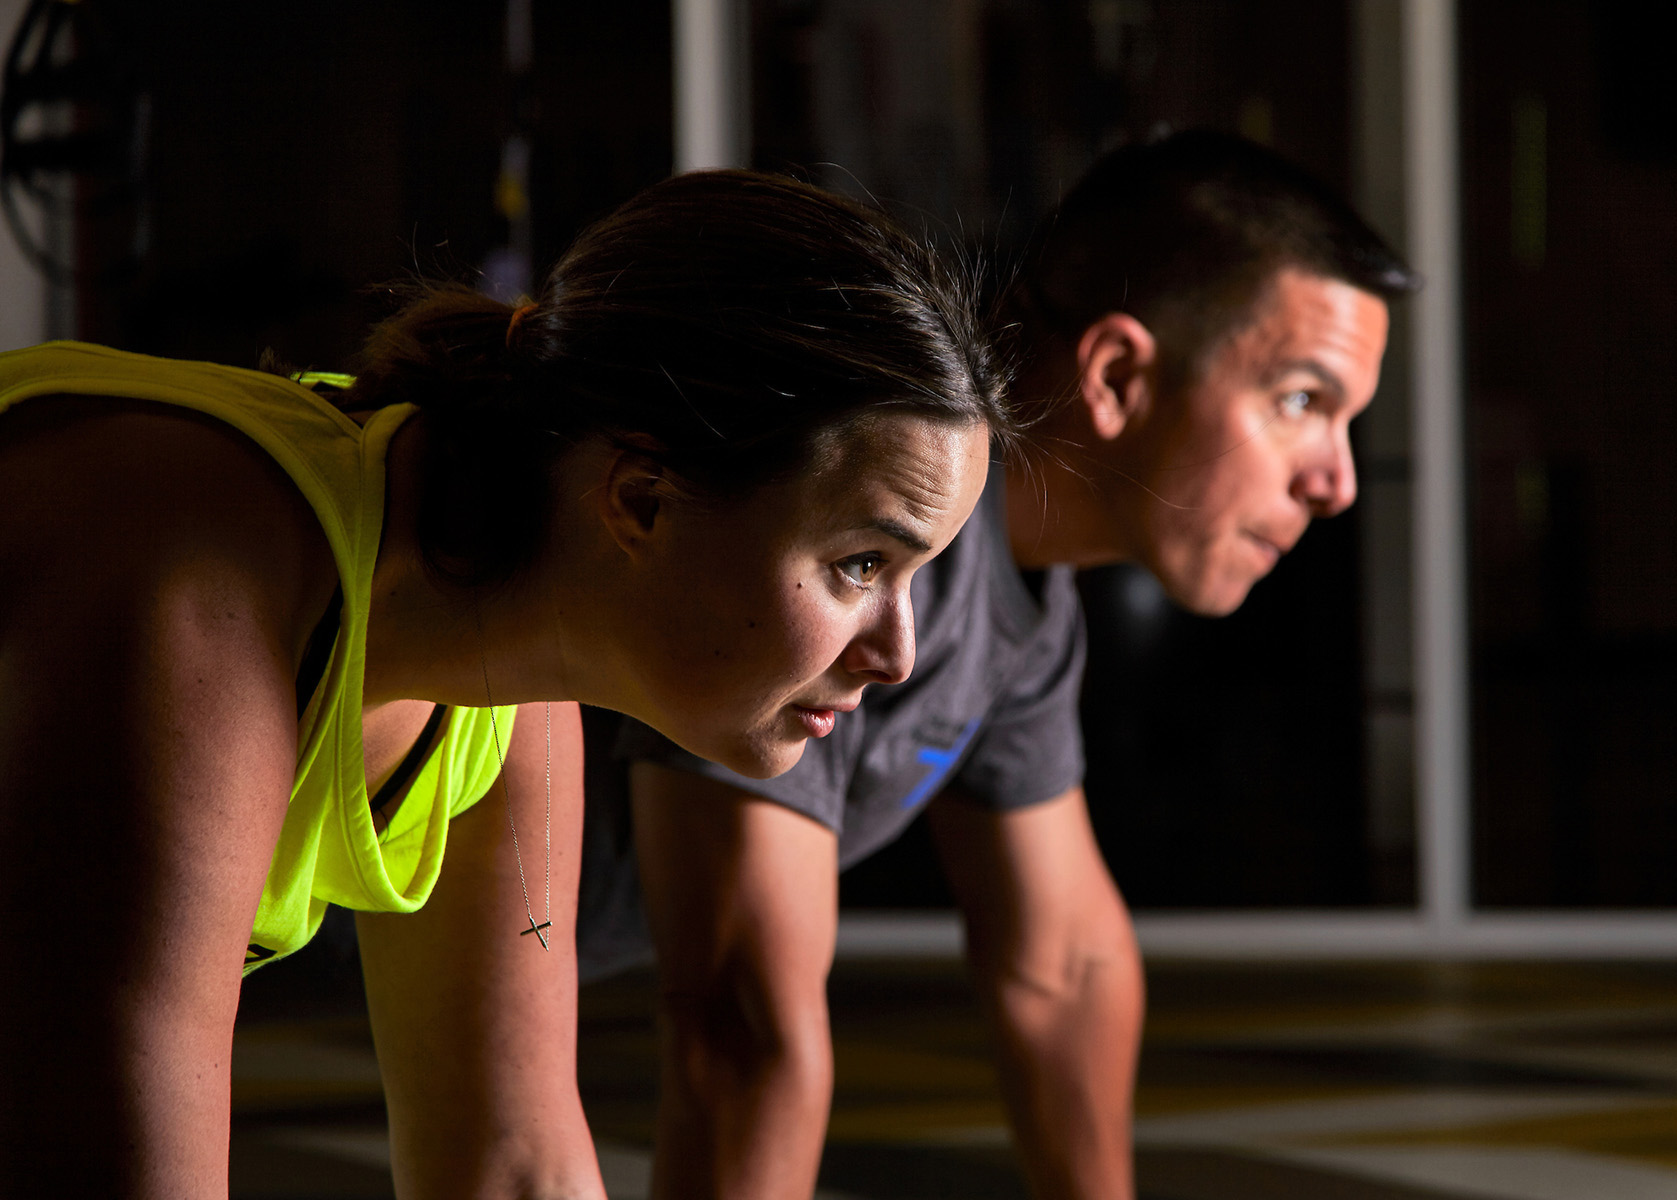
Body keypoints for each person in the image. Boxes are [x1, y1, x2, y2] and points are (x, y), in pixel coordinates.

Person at [0, 169, 1011, 1197]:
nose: (899, 654)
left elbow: (514, 1166)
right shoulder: (200, 593)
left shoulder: (503, 678)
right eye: (860, 564)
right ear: (642, 499)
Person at [590, 130, 1418, 1200]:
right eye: (1301, 401)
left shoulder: (1028, 603)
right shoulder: (870, 534)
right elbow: (741, 1027)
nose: (1336, 482)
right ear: (1117, 376)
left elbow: (1064, 965)